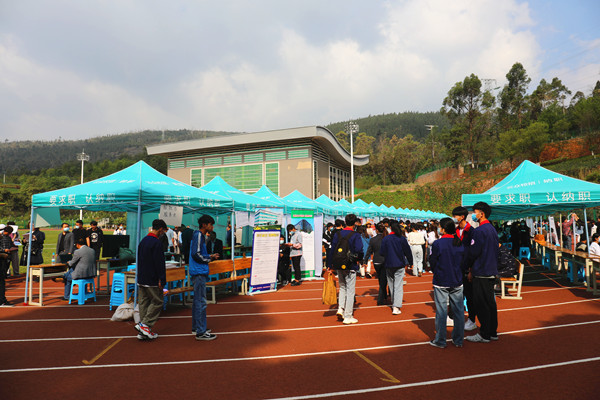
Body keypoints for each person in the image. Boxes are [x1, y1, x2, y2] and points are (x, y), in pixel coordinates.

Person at [465, 202, 499, 343]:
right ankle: (492, 332)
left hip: (481, 270)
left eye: (475, 212)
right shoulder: (492, 229)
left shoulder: (479, 231)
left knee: (481, 304)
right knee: (490, 303)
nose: (473, 215)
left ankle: (485, 333)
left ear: (481, 214)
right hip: (491, 269)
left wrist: (469, 267)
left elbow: (474, 252)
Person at [429, 218, 465, 348]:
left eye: (440, 227)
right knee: (459, 311)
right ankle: (458, 340)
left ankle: (440, 340)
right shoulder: (459, 242)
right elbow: (463, 261)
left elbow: (433, 261)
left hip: (441, 280)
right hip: (457, 280)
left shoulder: (438, 244)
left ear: (443, 229)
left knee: (441, 311)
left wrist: (437, 271)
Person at [135, 219, 168, 340]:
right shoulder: (156, 243)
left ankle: (144, 330)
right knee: (158, 301)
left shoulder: (143, 241)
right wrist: (162, 279)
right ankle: (145, 324)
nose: (163, 233)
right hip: (152, 278)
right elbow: (159, 263)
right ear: (160, 229)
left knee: (143, 302)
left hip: (142, 277)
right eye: (163, 231)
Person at [329, 214, 363, 324]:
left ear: (345, 222)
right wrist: (360, 260)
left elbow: (332, 249)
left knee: (342, 287)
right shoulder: (356, 235)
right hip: (350, 264)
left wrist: (330, 264)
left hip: (339, 264)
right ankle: (348, 315)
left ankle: (340, 308)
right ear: (355, 223)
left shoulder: (337, 234)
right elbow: (359, 249)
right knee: (350, 290)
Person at [190, 215, 219, 341]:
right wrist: (209, 259)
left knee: (198, 301)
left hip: (198, 271)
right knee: (201, 302)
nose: (212, 227)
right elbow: (196, 254)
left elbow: (198, 253)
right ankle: (200, 331)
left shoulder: (199, 236)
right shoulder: (198, 235)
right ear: (204, 225)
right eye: (210, 225)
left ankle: (197, 327)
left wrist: (209, 256)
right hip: (199, 271)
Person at [380, 221, 413, 315]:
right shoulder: (401, 238)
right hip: (399, 264)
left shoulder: (386, 239)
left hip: (388, 264)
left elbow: (381, 252)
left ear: (390, 227)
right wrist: (411, 262)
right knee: (398, 286)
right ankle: (396, 306)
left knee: (391, 285)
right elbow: (407, 251)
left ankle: (394, 303)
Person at [452, 206, 476, 331]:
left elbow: (473, 252)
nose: (454, 218)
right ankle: (457, 317)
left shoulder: (471, 231)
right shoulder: (455, 231)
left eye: (455, 216)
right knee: (456, 295)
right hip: (456, 268)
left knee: (470, 296)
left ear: (462, 217)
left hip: (467, 268)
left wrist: (471, 270)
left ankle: (472, 319)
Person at [364, 222, 388, 305]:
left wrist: (365, 261)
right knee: (384, 280)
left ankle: (384, 295)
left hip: (376, 261)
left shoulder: (373, 239)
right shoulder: (386, 239)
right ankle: (380, 299)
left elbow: (369, 251)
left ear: (377, 230)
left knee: (381, 279)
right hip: (384, 261)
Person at [0, 226, 17, 306]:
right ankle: (2, 301)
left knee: (2, 280)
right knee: (1, 281)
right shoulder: (1, 238)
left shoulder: (8, 238)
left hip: (5, 260)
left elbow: (10, 245)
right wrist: (3, 251)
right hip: (2, 261)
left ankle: (2, 300)